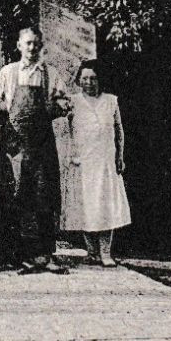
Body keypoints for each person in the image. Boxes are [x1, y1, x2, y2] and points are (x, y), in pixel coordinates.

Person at [0, 27, 71, 274]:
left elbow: (64, 101)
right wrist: (8, 104)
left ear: (40, 45)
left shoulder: (50, 73)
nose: (32, 48)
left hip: (43, 143)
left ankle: (47, 255)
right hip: (16, 145)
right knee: (19, 197)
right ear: (19, 45)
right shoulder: (9, 72)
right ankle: (22, 256)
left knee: (45, 195)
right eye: (28, 43)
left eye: (35, 44)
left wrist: (55, 106)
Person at [61, 60, 130, 267]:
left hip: (105, 161)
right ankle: (91, 252)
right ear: (79, 81)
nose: (89, 83)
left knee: (105, 207)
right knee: (86, 207)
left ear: (100, 80)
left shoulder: (111, 101)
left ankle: (106, 252)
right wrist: (68, 156)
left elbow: (119, 131)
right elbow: (64, 132)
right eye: (84, 79)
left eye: (93, 78)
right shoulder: (72, 102)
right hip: (82, 162)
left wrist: (120, 156)